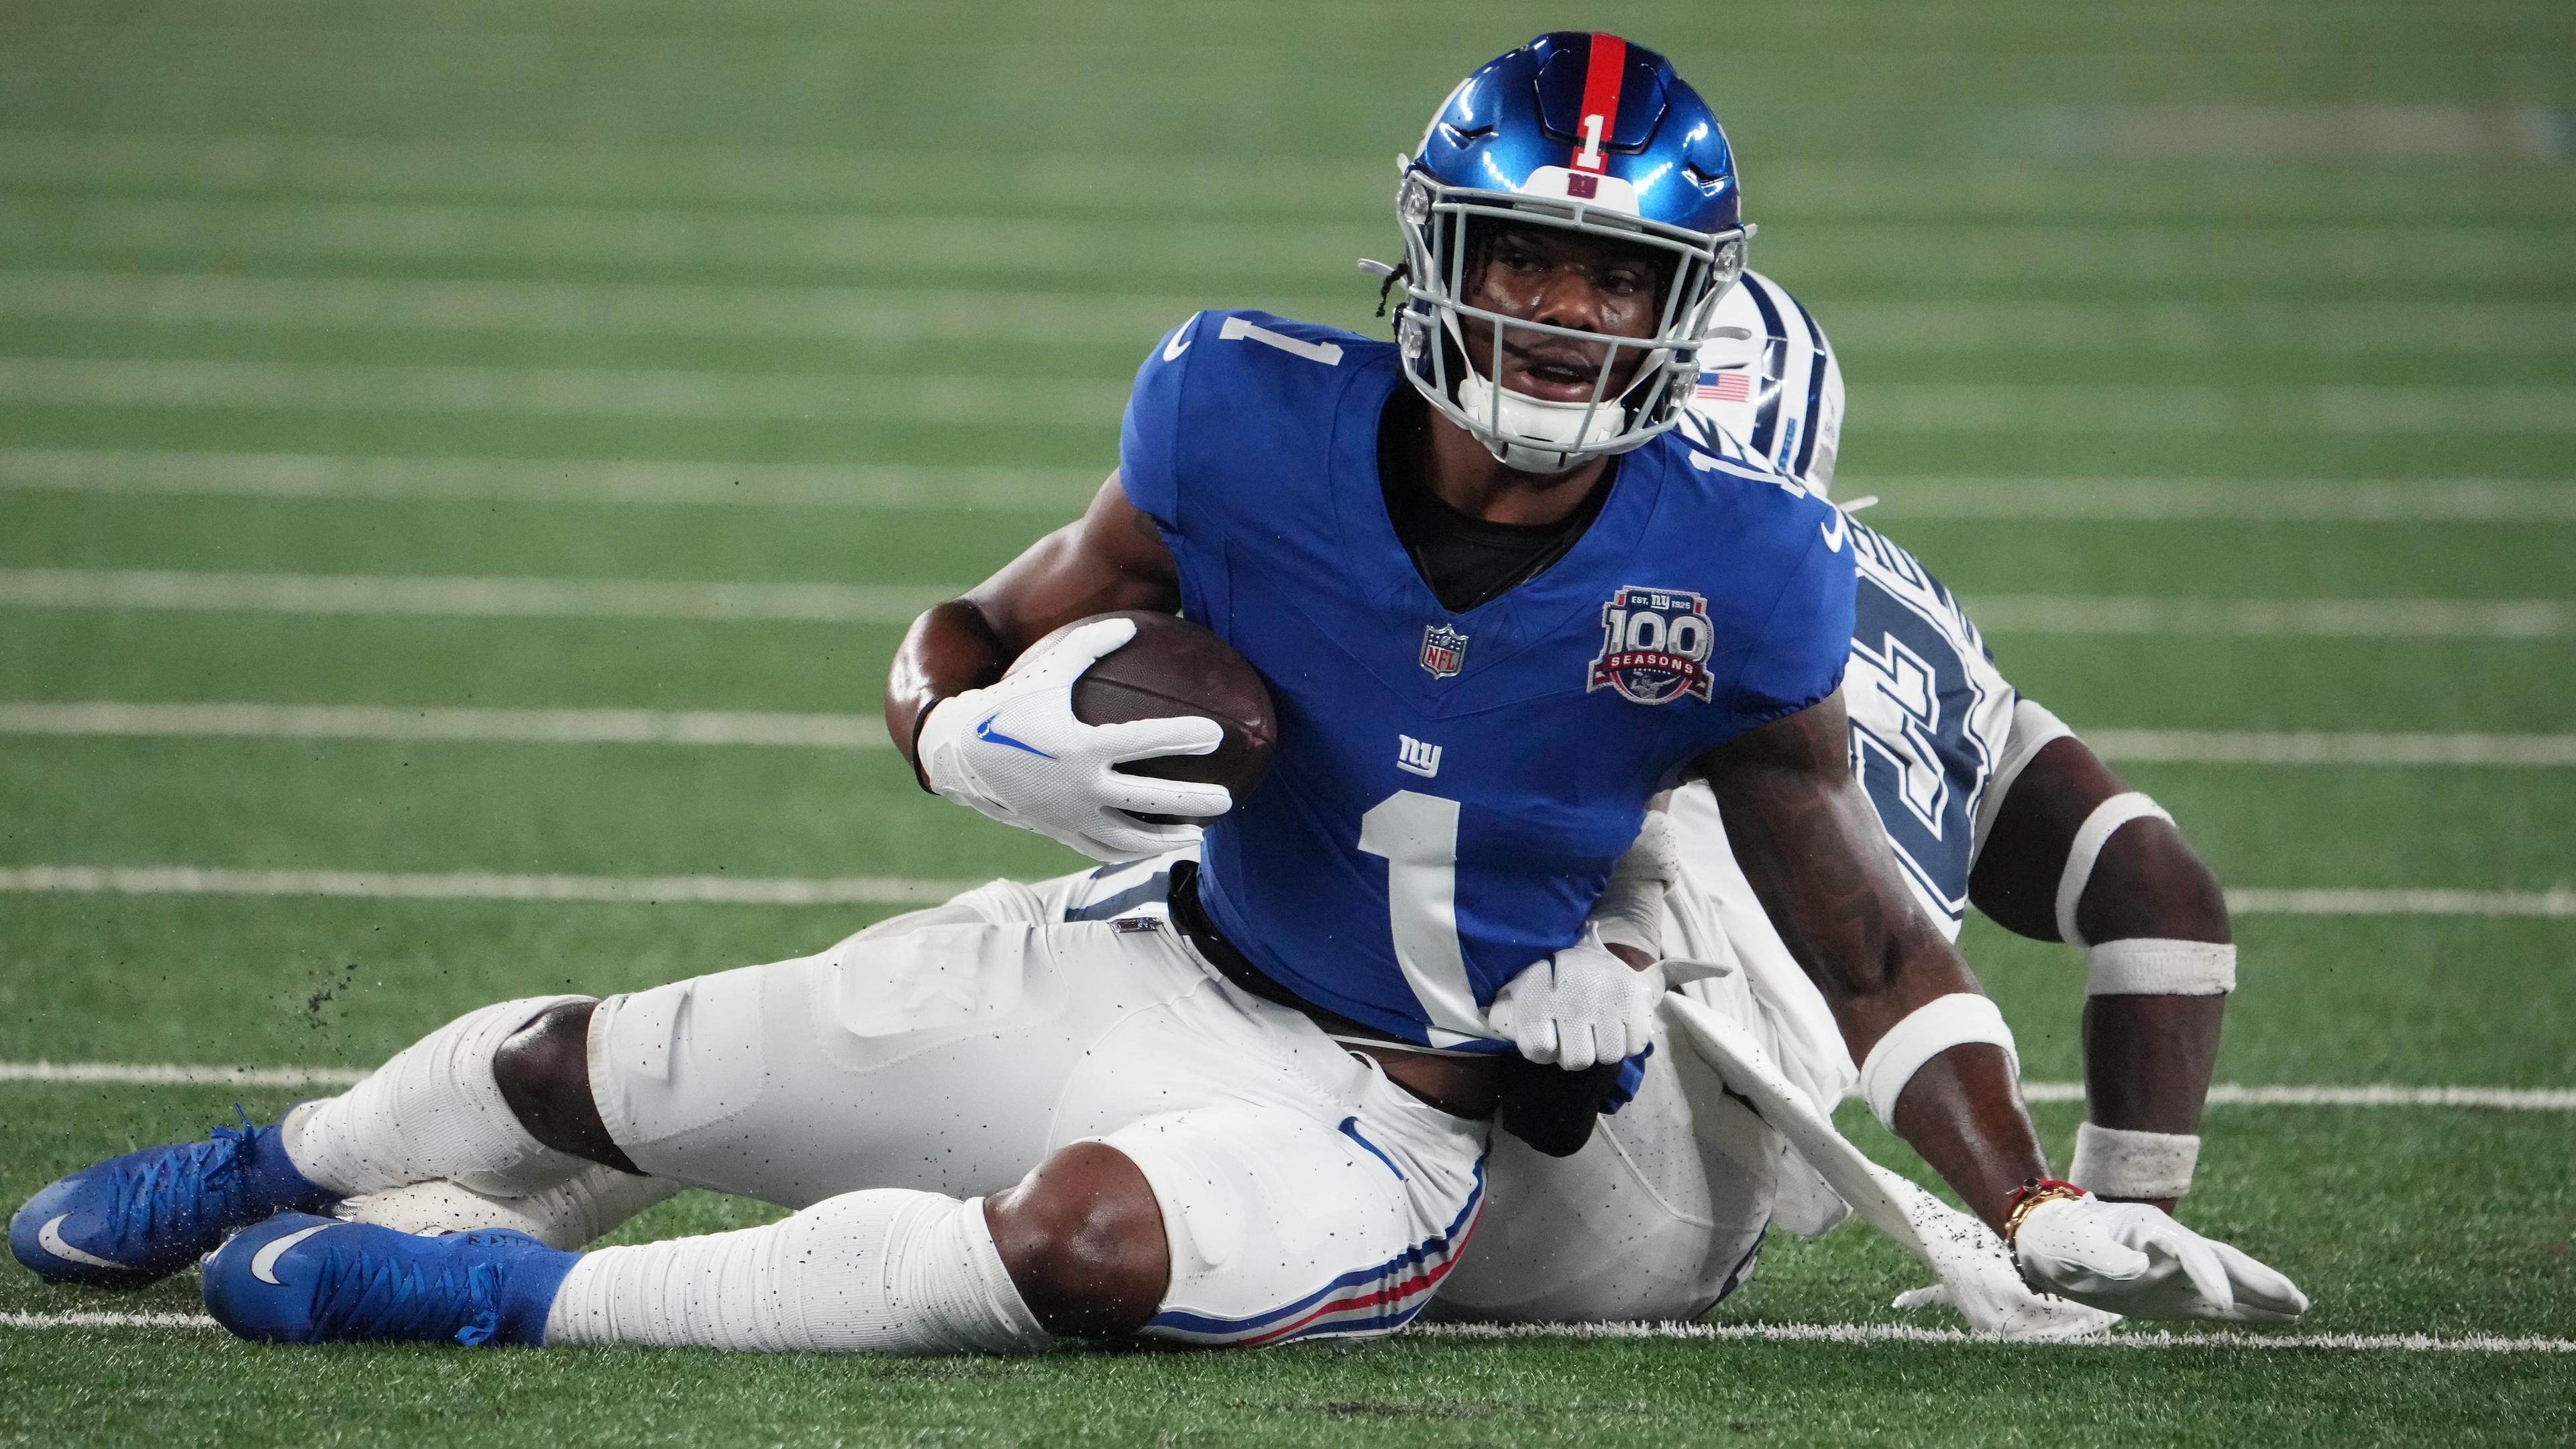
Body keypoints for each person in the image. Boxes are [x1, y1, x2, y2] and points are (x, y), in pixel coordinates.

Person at [12, 32, 2295, 1351]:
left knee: (1077, 1252)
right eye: (1526, 264)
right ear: (1432, 252)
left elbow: (1865, 933)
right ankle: (282, 1155)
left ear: (1688, 328)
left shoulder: (1750, 571)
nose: (1562, 325)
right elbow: (961, 638)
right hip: (1161, 952)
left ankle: (501, 1308)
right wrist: (974, 736)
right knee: (605, 1067)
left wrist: (2019, 1201)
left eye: (1616, 285)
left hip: (1396, 1110)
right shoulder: (1237, 407)